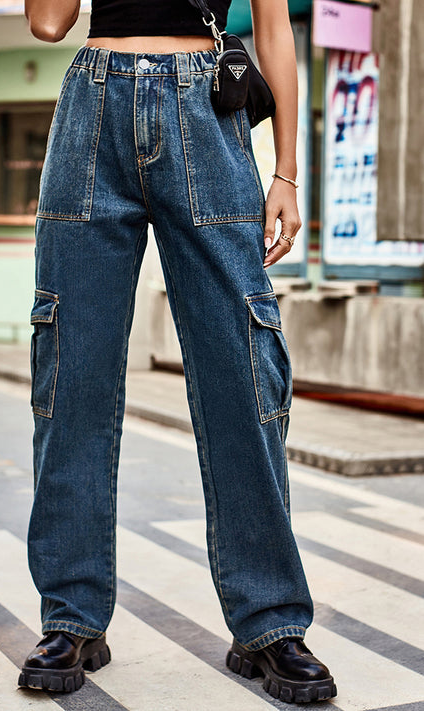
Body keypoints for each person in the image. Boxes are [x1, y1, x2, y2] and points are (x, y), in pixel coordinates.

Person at [19, 0, 337, 704]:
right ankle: (71, 617)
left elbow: (273, 28)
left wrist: (286, 173)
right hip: (92, 110)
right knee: (72, 376)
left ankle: (269, 621)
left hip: (206, 111)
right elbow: (47, 22)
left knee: (242, 376)